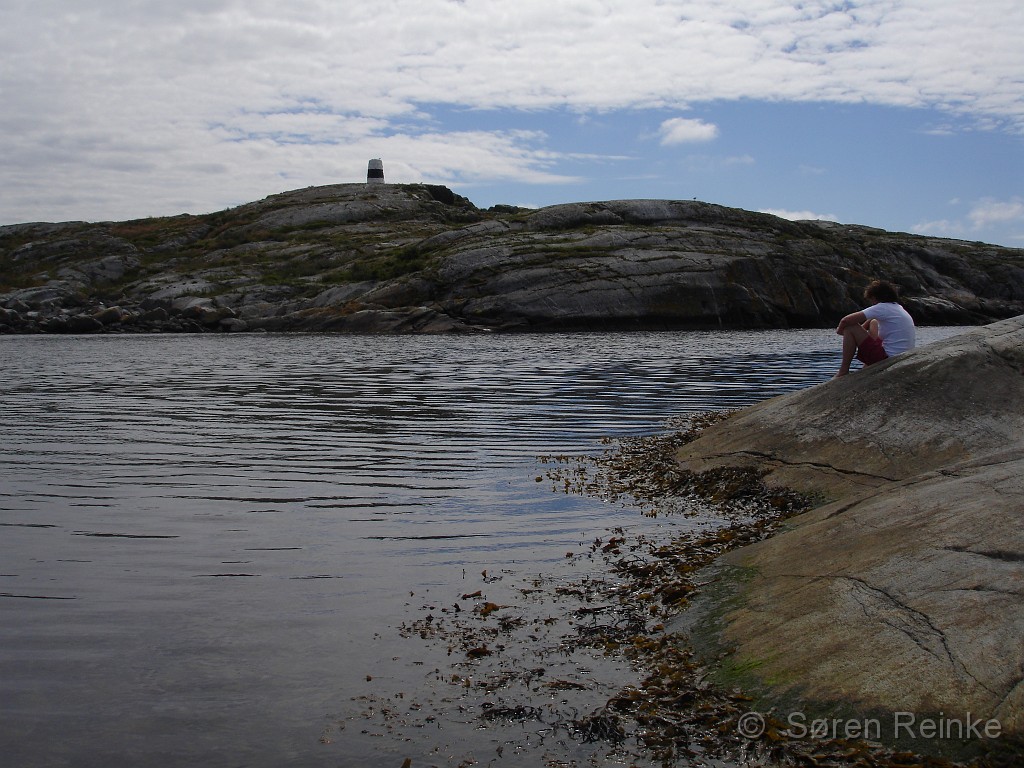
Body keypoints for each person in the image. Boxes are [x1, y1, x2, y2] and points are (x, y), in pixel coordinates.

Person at [834, 280, 915, 377]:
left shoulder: (882, 307)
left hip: (888, 358)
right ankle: (865, 368)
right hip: (901, 356)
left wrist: (841, 332)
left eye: (871, 300)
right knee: (873, 322)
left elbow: (845, 320)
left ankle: (843, 370)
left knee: (850, 327)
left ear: (874, 297)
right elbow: (872, 326)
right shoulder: (898, 308)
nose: (872, 303)